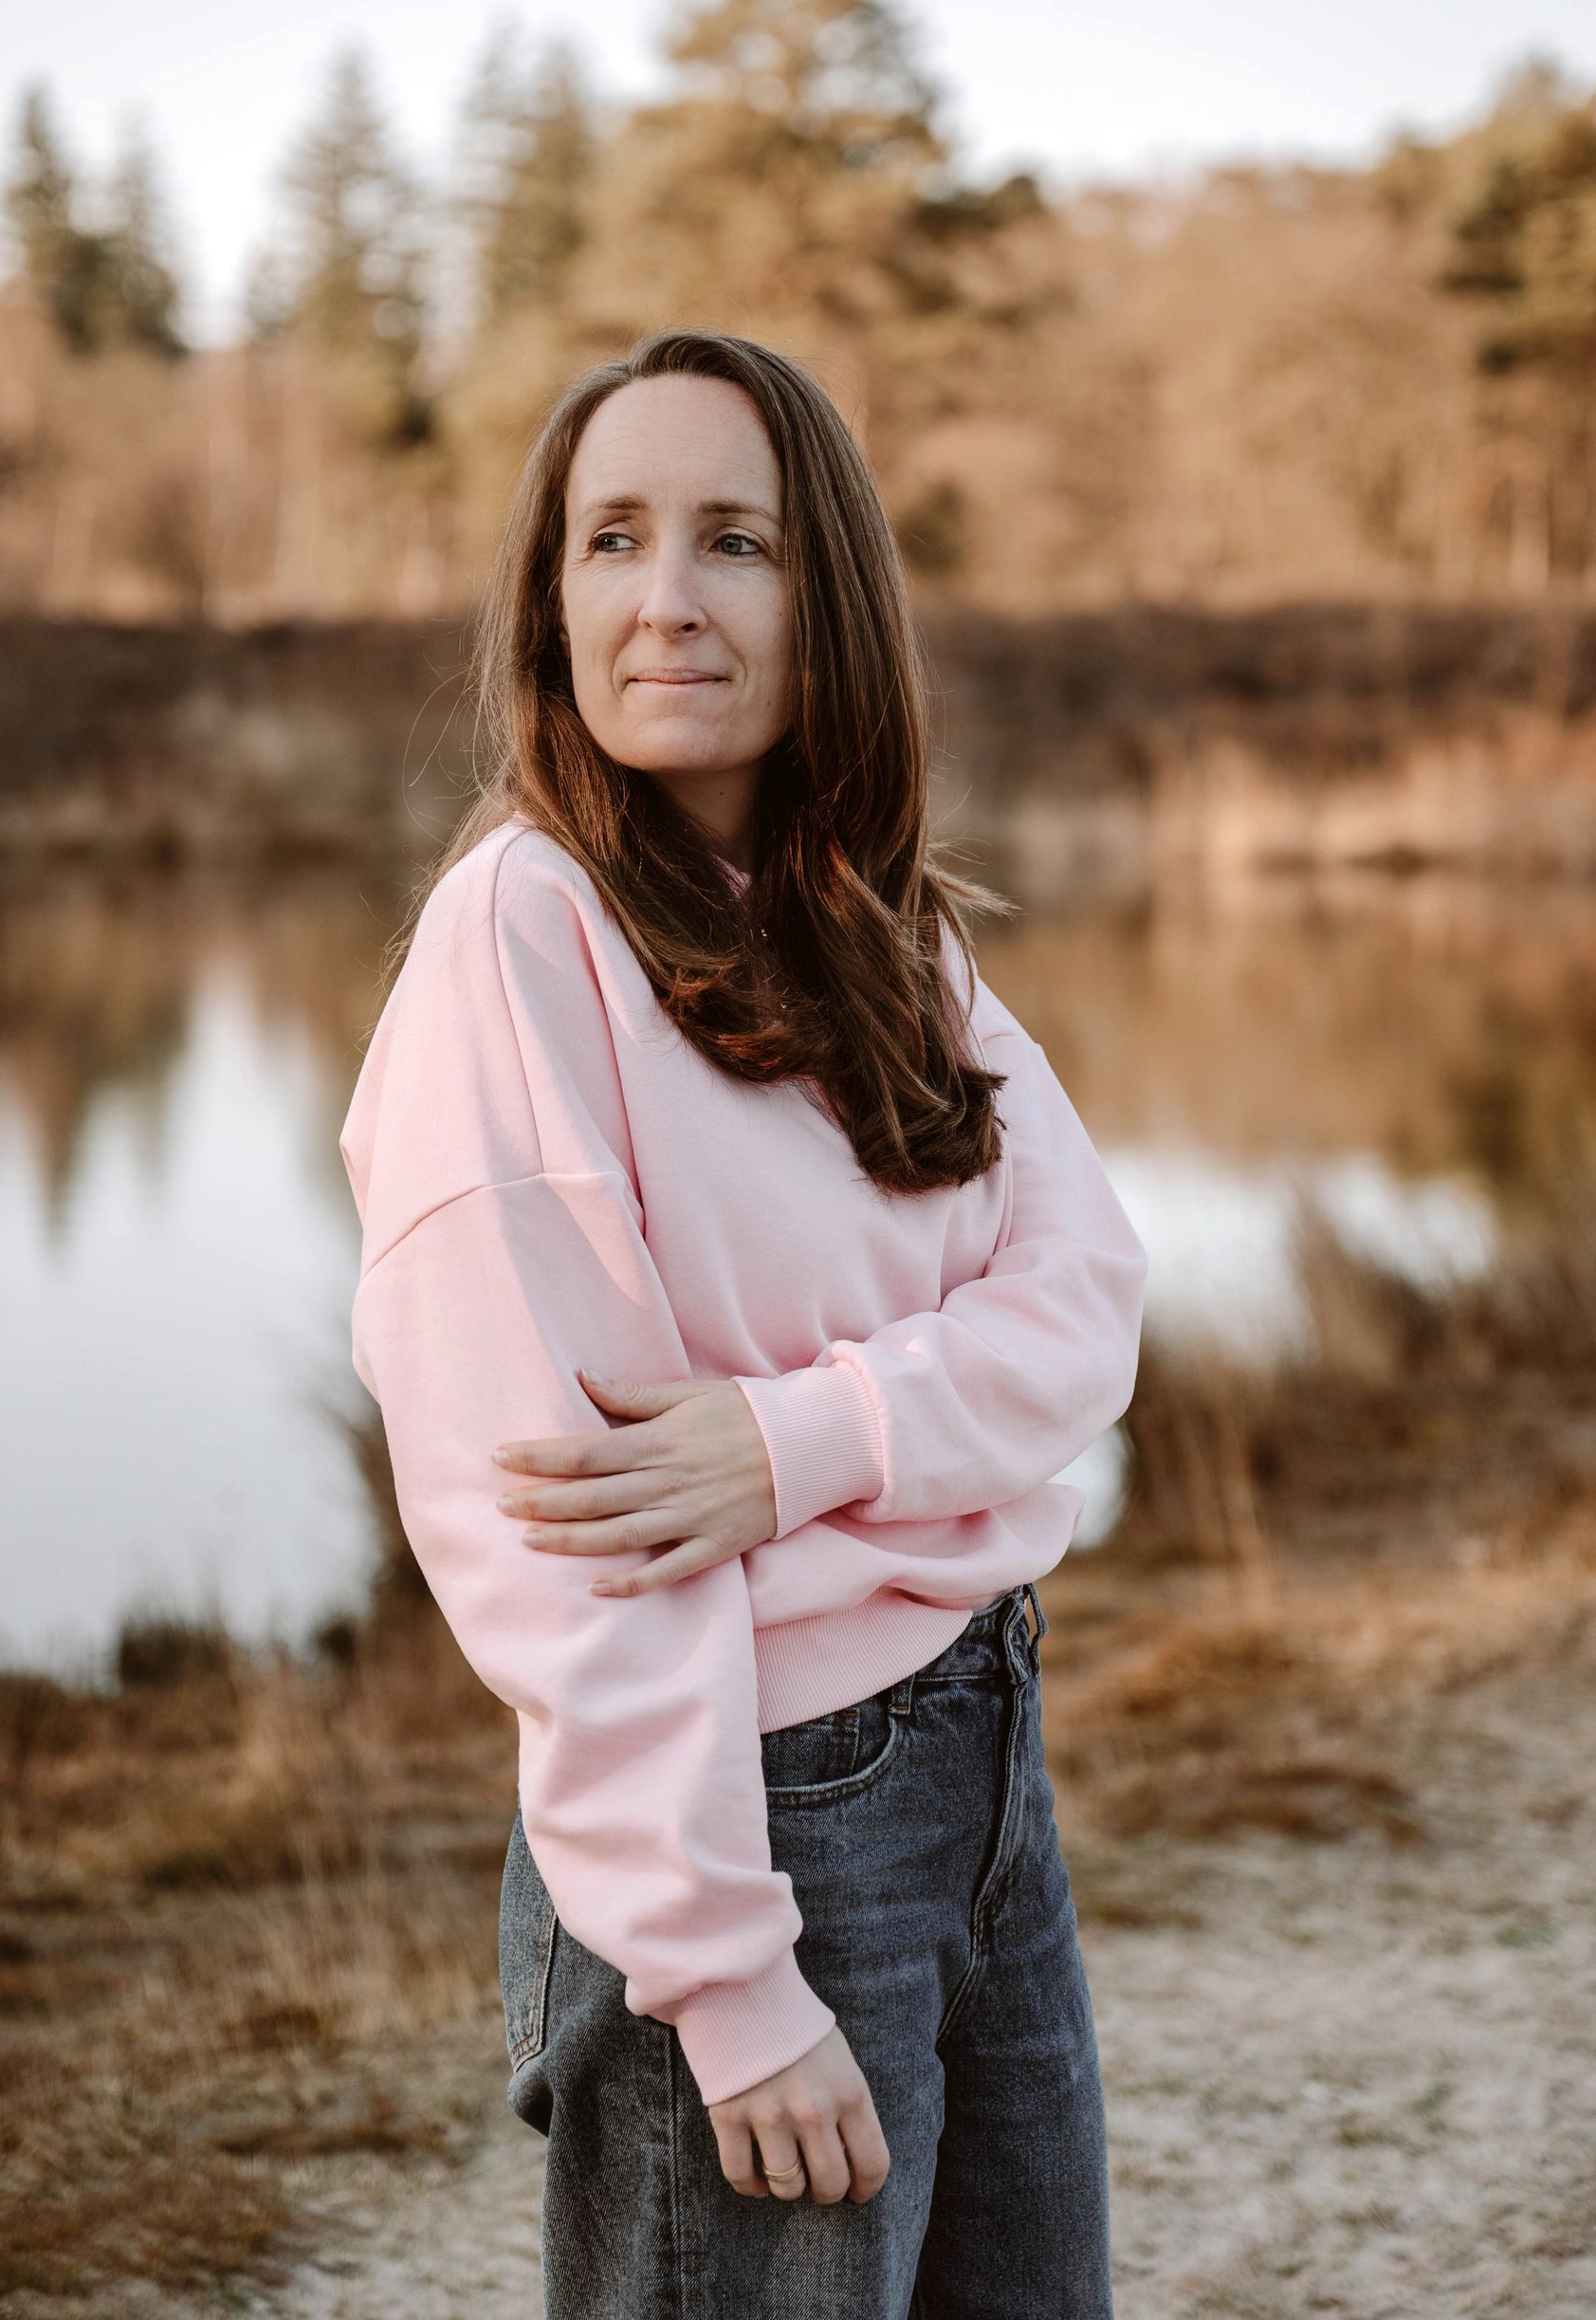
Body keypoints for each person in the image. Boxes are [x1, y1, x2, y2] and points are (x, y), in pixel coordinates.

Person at [338, 329, 1148, 2319]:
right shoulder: (521, 935)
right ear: (550, 598)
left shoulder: (884, 926)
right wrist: (719, 1966)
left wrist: (795, 1444)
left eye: (735, 541)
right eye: (610, 539)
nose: (665, 596)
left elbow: (1086, 1306)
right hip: (754, 1821)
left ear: (830, 600)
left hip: (981, 1764)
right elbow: (562, 1522)